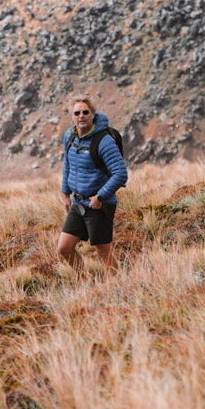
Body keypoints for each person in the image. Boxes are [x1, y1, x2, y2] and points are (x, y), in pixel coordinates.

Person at [57, 96, 128, 275]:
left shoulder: (104, 141)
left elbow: (120, 174)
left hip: (99, 205)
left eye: (85, 112)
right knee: (64, 248)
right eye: (77, 113)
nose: (81, 116)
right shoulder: (70, 136)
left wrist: (100, 197)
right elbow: (68, 164)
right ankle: (84, 281)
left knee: (103, 251)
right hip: (78, 203)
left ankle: (116, 287)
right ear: (72, 116)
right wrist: (65, 194)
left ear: (93, 115)